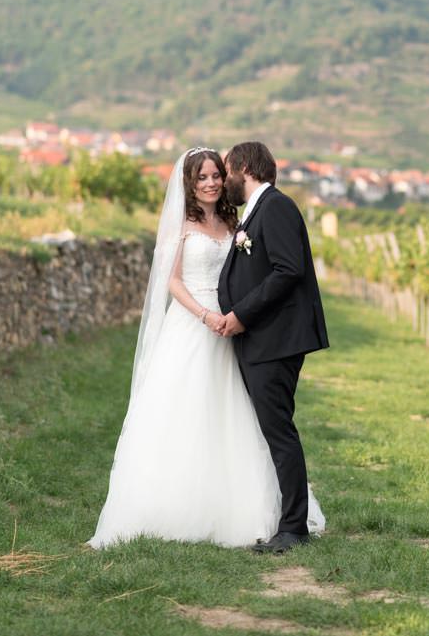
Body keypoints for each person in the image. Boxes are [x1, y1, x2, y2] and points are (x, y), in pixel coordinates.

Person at [87, 147, 323, 550]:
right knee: (186, 413)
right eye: (204, 177)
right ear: (189, 184)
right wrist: (204, 315)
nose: (213, 182)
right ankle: (178, 506)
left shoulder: (238, 219)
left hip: (236, 329)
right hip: (197, 325)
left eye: (218, 174)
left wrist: (235, 316)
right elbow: (172, 280)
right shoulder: (182, 224)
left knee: (237, 417)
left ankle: (257, 512)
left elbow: (270, 268)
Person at [216, 141, 329, 554]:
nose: (225, 179)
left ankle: (294, 528)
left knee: (279, 433)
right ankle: (286, 519)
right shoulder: (258, 209)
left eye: (227, 169)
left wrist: (241, 314)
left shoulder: (276, 207)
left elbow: (287, 270)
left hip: (274, 340)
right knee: (272, 431)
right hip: (261, 339)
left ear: (244, 167)